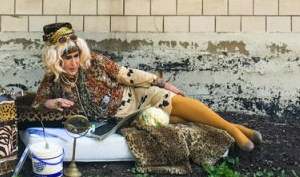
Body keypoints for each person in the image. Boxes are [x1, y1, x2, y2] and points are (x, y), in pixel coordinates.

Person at [33, 22, 262, 152]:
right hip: (125, 119)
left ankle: (234, 132)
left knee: (175, 103)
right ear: (56, 59)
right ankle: (237, 127)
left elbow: (128, 75)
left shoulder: (95, 62)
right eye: (67, 57)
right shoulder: (52, 81)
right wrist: (50, 102)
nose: (73, 62)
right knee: (180, 120)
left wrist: (162, 82)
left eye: (75, 55)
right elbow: (37, 103)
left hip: (139, 96)